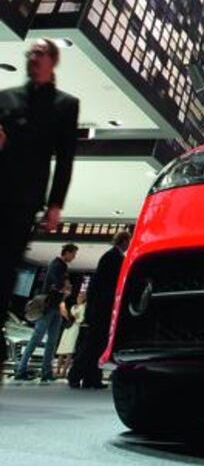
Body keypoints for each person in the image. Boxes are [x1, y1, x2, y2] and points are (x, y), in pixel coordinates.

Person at [1, 40, 80, 370]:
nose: (32, 59)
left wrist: (55, 204)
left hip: (25, 195)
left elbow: (65, 157)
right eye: (30, 54)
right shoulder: (6, 98)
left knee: (5, 264)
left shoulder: (65, 105)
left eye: (39, 54)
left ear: (53, 61)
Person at [69, 230, 130, 389]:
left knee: (97, 344)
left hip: (100, 308)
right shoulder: (113, 257)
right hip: (102, 309)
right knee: (93, 344)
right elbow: (105, 285)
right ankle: (75, 375)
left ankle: (91, 378)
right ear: (123, 242)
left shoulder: (110, 256)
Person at [15, 243, 79, 382]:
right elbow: (57, 284)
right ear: (66, 252)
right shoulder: (57, 264)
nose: (74, 257)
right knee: (38, 338)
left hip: (55, 306)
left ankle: (46, 372)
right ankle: (22, 370)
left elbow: (62, 286)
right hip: (49, 306)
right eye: (73, 254)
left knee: (51, 341)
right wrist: (65, 288)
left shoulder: (62, 266)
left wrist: (65, 288)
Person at [55, 286, 85, 380]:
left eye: (81, 296)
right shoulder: (73, 307)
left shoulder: (84, 307)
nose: (79, 297)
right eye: (79, 295)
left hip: (75, 328)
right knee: (61, 350)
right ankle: (57, 370)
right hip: (68, 328)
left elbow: (80, 319)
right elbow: (71, 316)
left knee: (69, 351)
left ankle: (64, 371)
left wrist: (73, 316)